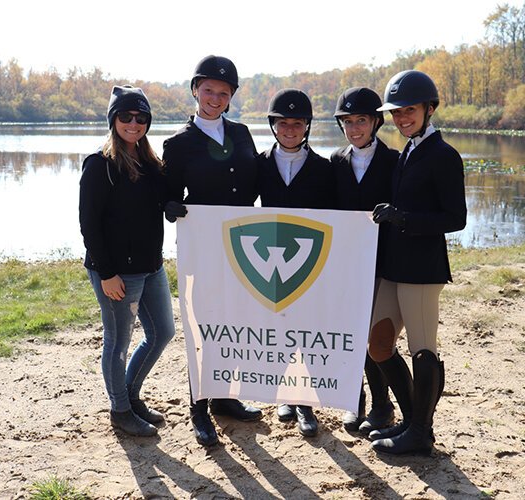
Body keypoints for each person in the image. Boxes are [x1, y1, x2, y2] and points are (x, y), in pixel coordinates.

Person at [162, 55, 262, 447]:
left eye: (224, 92)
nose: (215, 98)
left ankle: (226, 397)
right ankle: (199, 407)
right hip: (202, 249)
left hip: (241, 246)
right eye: (208, 91)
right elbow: (168, 197)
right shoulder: (178, 143)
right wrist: (170, 206)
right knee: (203, 327)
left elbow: (255, 183)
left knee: (233, 322)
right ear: (195, 90)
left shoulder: (242, 133)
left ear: (232, 96)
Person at [368, 70, 467, 455]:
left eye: (409, 110)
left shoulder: (444, 155)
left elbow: (455, 219)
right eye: (395, 112)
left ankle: (422, 433)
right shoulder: (407, 150)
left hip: (423, 270)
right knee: (378, 343)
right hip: (395, 266)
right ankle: (411, 417)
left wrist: (402, 218)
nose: (401, 118)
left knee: (422, 349)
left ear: (429, 109)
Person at [79, 85, 176, 437]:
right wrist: (107, 273)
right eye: (126, 116)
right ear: (113, 120)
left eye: (141, 117)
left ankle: (130, 396)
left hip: (152, 267)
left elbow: (167, 198)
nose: (133, 123)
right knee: (117, 342)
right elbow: (89, 224)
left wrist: (173, 204)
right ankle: (120, 410)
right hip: (117, 272)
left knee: (162, 332)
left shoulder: (151, 164)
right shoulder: (99, 165)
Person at [257, 88, 335, 437]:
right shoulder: (258, 163)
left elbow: (338, 217)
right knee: (278, 330)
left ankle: (305, 402)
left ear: (307, 126)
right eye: (283, 123)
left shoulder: (324, 168)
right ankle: (283, 396)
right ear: (273, 125)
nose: (290, 129)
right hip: (270, 259)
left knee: (306, 330)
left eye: (298, 123)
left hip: (308, 259)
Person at [330, 87, 401, 435]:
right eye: (348, 121)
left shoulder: (393, 161)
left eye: (361, 120)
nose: (355, 128)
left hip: (380, 264)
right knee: (349, 335)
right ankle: (352, 400)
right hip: (345, 264)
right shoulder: (336, 161)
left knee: (374, 337)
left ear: (376, 121)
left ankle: (381, 405)